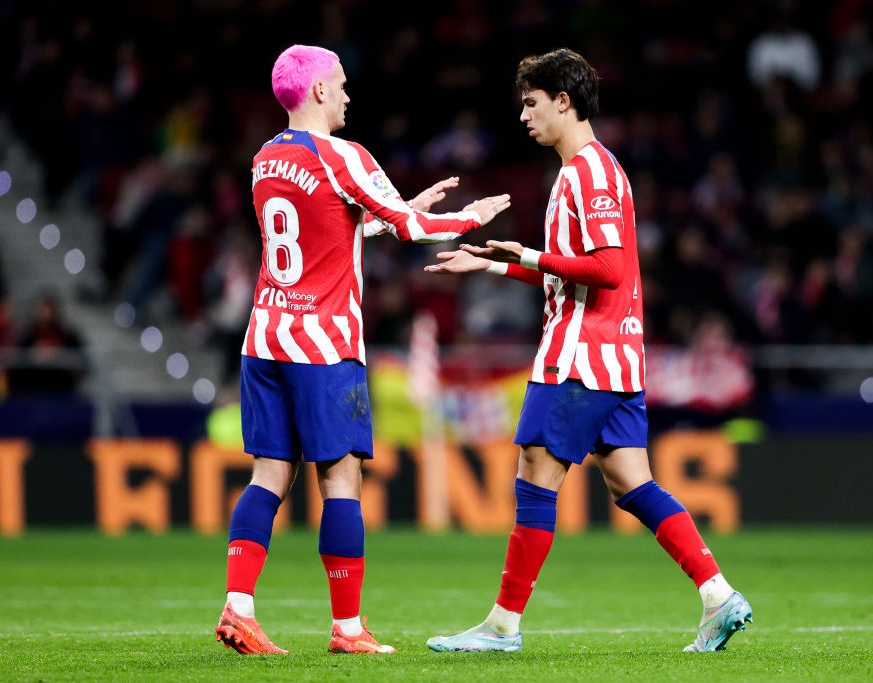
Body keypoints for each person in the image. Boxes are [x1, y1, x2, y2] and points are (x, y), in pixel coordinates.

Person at [423, 48, 751, 654]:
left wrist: (524, 254)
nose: (524, 116)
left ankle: (502, 626)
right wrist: (495, 266)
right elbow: (572, 273)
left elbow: (609, 269)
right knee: (631, 481)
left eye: (531, 103)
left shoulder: (589, 173)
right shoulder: (590, 170)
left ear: (564, 101)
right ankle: (717, 594)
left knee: (534, 477)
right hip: (616, 358)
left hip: (580, 356)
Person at [215, 44, 510, 656]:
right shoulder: (344, 155)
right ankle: (347, 628)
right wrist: (468, 218)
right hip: (325, 344)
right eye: (342, 84)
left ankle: (238, 607)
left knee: (269, 473)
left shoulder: (264, 159)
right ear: (319, 91)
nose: (348, 94)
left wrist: (397, 211)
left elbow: (324, 230)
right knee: (341, 478)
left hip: (265, 336)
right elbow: (409, 231)